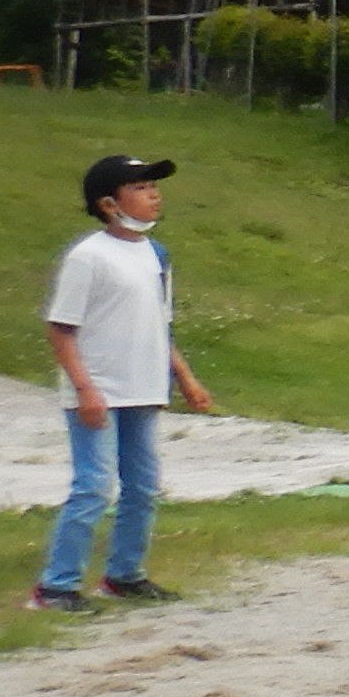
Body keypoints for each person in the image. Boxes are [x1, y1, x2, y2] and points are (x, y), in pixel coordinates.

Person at [34, 151, 217, 611]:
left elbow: (159, 324)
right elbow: (61, 328)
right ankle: (56, 587)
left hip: (143, 387)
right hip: (98, 390)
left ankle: (124, 575)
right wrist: (85, 389)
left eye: (153, 186)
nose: (154, 196)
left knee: (143, 487)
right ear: (108, 204)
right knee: (94, 487)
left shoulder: (156, 255)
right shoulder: (89, 256)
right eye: (140, 188)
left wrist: (185, 378)